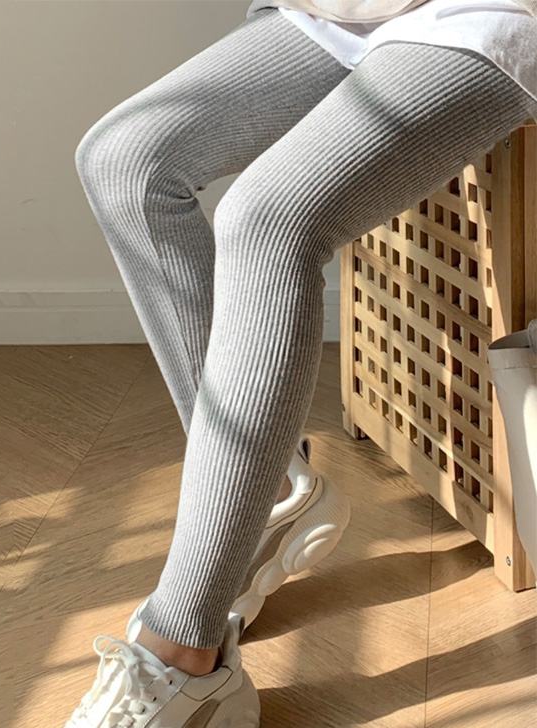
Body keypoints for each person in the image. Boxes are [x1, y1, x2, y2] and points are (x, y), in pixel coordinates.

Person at [67, 0, 537, 724]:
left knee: (266, 221)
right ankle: (272, 493)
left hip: (484, 11)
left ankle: (185, 649)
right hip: (340, 8)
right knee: (122, 160)